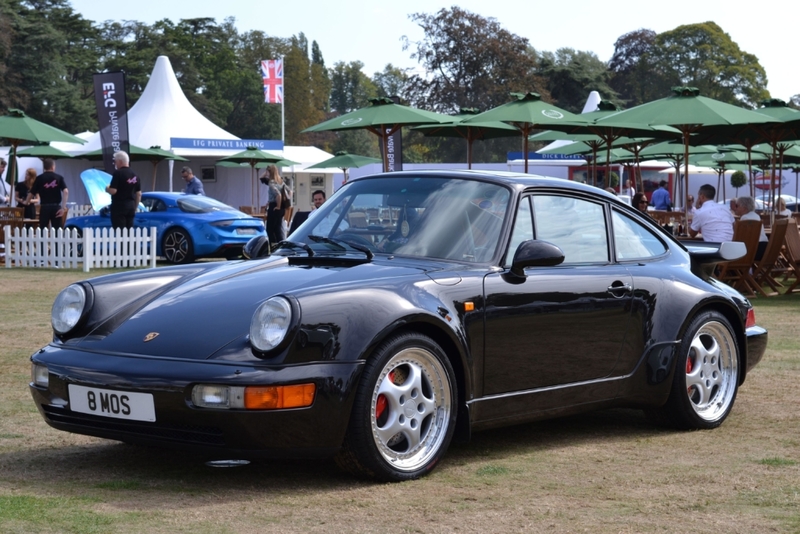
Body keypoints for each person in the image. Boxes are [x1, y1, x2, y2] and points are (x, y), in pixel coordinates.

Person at [26, 158, 68, 229]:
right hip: (56, 207)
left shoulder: (39, 178)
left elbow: (32, 193)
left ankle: (43, 240)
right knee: (58, 230)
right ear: (52, 167)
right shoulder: (59, 177)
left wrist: (26, 201)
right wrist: (63, 208)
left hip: (44, 207)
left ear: (44, 167)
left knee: (43, 229)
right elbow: (66, 191)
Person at [105, 151, 141, 229]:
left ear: (120, 161)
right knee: (129, 232)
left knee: (120, 233)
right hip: (131, 206)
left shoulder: (118, 173)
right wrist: (135, 207)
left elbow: (113, 191)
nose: (115, 164)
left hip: (119, 207)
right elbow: (138, 194)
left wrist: (107, 189)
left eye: (115, 162)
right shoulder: (136, 175)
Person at [733, 195, 768, 260]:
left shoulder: (745, 218)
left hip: (754, 251)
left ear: (744, 208)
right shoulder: (756, 216)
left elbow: (740, 237)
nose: (735, 208)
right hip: (763, 248)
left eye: (737, 206)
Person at [264, 164, 285, 245]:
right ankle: (280, 245)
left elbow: (278, 194)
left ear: (270, 172)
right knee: (278, 229)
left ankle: (272, 246)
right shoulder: (280, 181)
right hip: (281, 208)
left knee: (270, 229)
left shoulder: (271, 182)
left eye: (267, 172)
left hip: (275, 207)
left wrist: (277, 206)